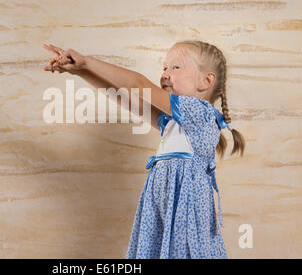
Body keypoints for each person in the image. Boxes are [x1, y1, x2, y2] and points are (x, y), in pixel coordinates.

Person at [42, 40, 245, 259]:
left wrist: (88, 61)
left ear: (206, 81)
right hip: (163, 213)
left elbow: (137, 85)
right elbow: (123, 96)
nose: (166, 74)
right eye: (164, 68)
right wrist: (83, 71)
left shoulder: (200, 113)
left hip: (183, 218)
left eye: (176, 67)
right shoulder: (172, 122)